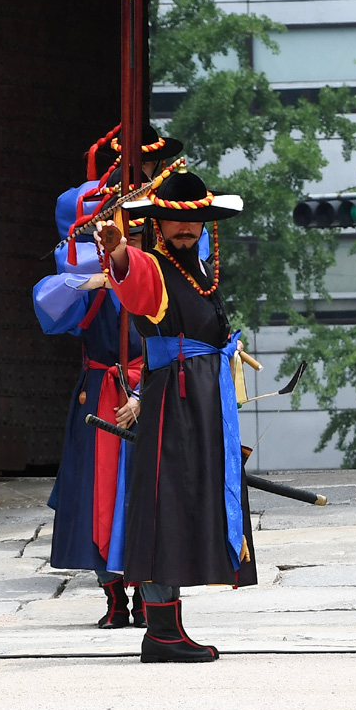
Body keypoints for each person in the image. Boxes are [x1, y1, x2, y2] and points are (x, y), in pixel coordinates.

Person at [95, 164, 256, 663]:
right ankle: (161, 631)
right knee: (166, 502)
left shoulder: (198, 269)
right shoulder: (154, 267)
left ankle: (171, 627)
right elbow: (131, 277)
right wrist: (119, 251)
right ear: (159, 224)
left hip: (204, 402)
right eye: (175, 221)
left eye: (194, 222)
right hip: (174, 402)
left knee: (190, 502)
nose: (186, 229)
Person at [34, 181, 146, 629]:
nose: (129, 242)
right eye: (121, 233)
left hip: (148, 386)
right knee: (99, 492)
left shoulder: (157, 272)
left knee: (146, 491)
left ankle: (153, 596)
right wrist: (91, 278)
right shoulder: (87, 276)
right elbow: (49, 303)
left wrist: (143, 394)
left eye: (137, 235)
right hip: (101, 389)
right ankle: (114, 596)